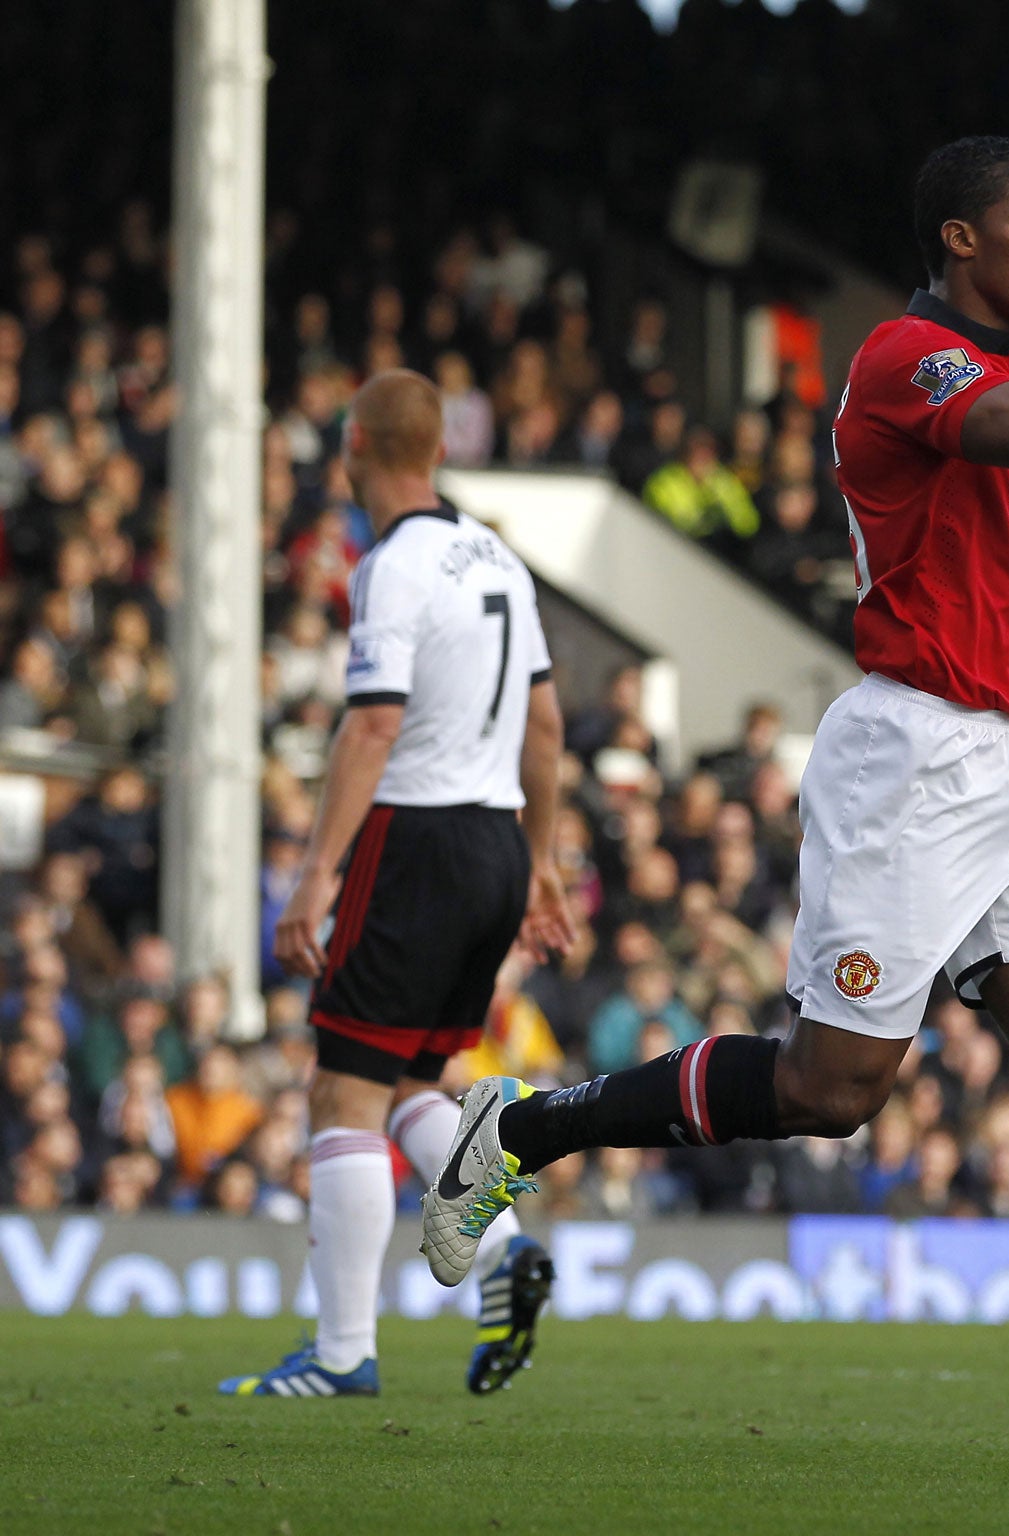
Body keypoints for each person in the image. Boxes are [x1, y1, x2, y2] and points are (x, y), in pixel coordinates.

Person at [425, 135, 1009, 1479]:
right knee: (831, 1089)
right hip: (913, 764)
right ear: (962, 241)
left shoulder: (1006, 384)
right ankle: (519, 1129)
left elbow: (973, 590)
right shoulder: (905, 360)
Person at [221, 370, 577, 1399]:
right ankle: (504, 1251)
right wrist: (543, 860)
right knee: (414, 1082)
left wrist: (311, 880)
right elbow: (545, 728)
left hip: (415, 840)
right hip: (497, 849)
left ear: (354, 447)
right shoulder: (499, 558)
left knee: (342, 1086)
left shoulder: (392, 565)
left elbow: (373, 725)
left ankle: (340, 1354)